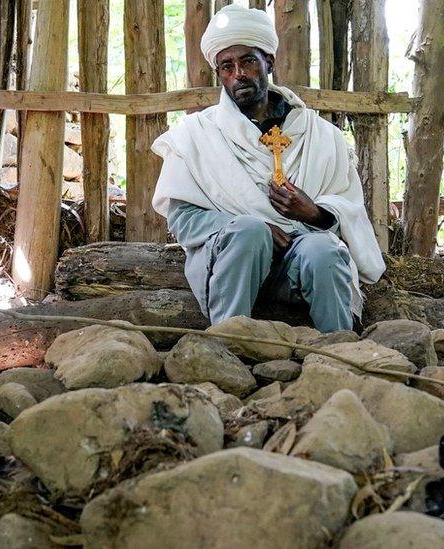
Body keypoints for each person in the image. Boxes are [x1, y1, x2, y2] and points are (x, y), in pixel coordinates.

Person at [151, 3, 385, 333]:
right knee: (249, 233)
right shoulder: (196, 137)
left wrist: (314, 213)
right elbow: (183, 220)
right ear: (218, 74)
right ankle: (229, 347)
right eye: (226, 66)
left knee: (324, 249)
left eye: (248, 60)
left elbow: (348, 206)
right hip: (234, 264)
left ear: (269, 62)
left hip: (299, 260)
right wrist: (249, 226)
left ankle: (339, 352)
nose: (238, 74)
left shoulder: (321, 136)